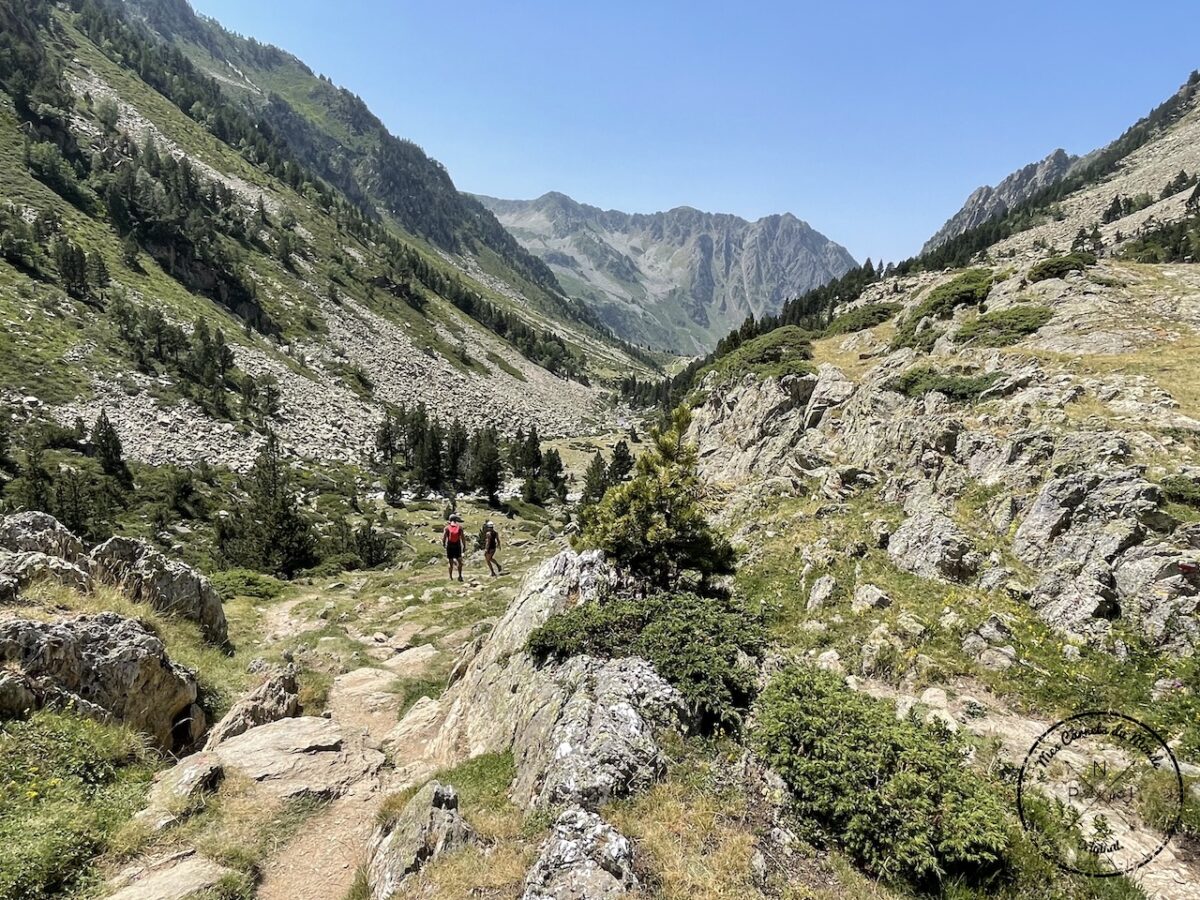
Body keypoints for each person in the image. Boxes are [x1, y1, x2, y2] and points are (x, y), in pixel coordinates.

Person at [443, 514, 466, 582]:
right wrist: (464, 546)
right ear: (456, 520)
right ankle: (460, 576)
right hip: (457, 546)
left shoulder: (447, 528)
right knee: (459, 561)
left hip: (450, 546)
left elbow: (444, 537)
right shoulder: (459, 527)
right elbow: (463, 538)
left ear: (450, 520)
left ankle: (450, 577)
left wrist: (444, 544)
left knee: (450, 563)